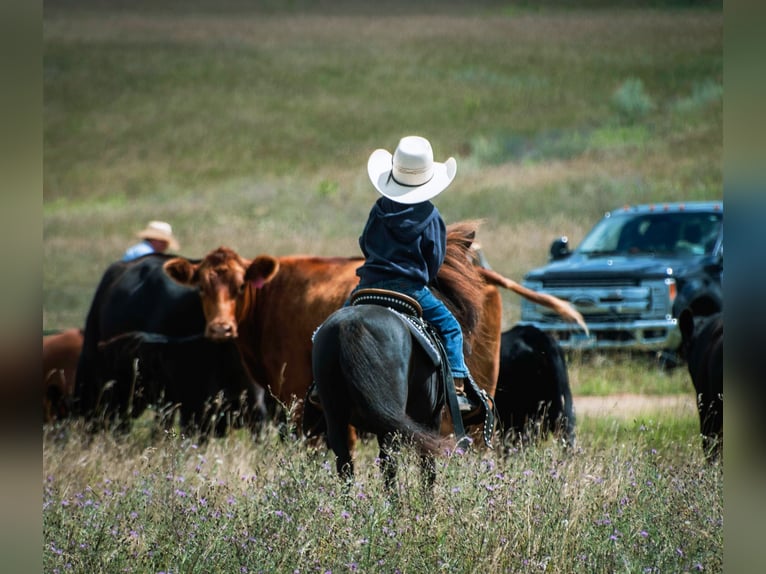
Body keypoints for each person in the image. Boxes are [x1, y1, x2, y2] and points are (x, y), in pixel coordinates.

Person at [350, 135, 479, 412]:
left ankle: (317, 385)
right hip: (410, 290)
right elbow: (434, 259)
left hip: (368, 285)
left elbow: (365, 243)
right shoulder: (430, 216)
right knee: (451, 328)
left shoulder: (379, 208)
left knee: (340, 320)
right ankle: (456, 389)